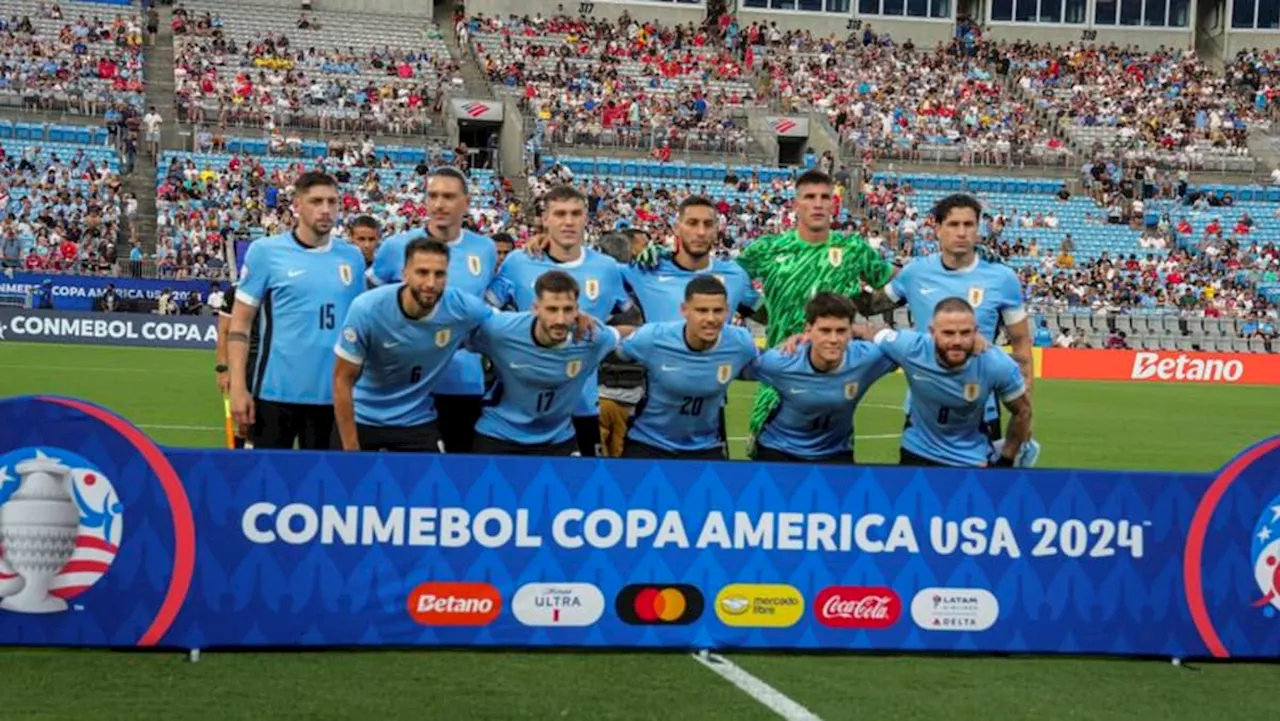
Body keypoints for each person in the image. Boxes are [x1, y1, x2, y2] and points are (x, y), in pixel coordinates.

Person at [856, 193, 1033, 442]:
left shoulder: (1002, 278)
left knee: (980, 481)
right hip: (922, 412)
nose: (961, 232)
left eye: (969, 224)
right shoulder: (915, 273)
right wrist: (843, 274)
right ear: (938, 228)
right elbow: (869, 306)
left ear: (978, 228)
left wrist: (1025, 416)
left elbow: (1022, 345)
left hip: (981, 412)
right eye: (953, 224)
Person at [488, 185, 630, 458]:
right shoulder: (519, 262)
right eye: (560, 214)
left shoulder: (606, 268)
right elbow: (487, 314)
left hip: (582, 406)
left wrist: (600, 330)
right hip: (517, 408)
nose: (568, 221)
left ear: (586, 218)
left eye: (576, 213)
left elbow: (631, 314)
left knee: (579, 495)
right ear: (545, 219)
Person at [228, 171, 366, 450]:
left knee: (326, 488)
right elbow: (240, 326)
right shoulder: (265, 252)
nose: (326, 210)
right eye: (316, 201)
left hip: (334, 397)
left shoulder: (352, 257)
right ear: (297, 205)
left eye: (332, 202)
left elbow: (361, 330)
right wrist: (238, 387)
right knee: (264, 485)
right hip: (273, 394)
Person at [366, 167, 497, 454]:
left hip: (462, 382)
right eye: (433, 195)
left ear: (466, 202)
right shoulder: (396, 246)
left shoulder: (485, 249)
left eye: (448, 196)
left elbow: (491, 307)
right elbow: (371, 303)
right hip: (404, 386)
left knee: (457, 477)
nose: (439, 204)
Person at [331, 238, 492, 452]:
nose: (431, 283)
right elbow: (342, 379)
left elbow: (507, 328)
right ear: (405, 273)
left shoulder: (461, 308)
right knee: (346, 483)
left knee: (434, 484)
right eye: (422, 272)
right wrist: (351, 448)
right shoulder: (367, 308)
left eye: (440, 274)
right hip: (363, 417)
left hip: (416, 421)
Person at [470, 270, 623, 457]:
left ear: (577, 310)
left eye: (568, 309)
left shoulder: (592, 337)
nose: (560, 319)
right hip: (499, 435)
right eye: (552, 309)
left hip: (558, 439)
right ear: (535, 308)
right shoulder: (501, 331)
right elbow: (458, 329)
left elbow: (629, 332)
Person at [870, 297, 1033, 468]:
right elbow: (871, 333)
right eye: (948, 333)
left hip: (971, 459)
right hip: (917, 452)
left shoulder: (995, 363)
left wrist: (1006, 460)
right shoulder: (910, 347)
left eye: (965, 333)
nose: (957, 341)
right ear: (932, 332)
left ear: (976, 332)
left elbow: (1023, 410)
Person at [614, 276, 758, 460]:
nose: (711, 318)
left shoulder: (741, 343)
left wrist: (800, 343)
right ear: (684, 310)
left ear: (727, 311)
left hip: (706, 446)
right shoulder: (653, 338)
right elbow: (609, 348)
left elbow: (775, 366)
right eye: (702, 310)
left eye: (717, 311)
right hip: (648, 443)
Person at [749, 293, 896, 465]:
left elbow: (909, 349)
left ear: (851, 331)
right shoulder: (783, 361)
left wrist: (866, 331)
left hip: (836, 452)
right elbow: (736, 364)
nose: (833, 339)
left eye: (841, 331)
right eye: (825, 331)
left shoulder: (867, 358)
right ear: (808, 330)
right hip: (780, 449)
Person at [621, 195, 759, 324]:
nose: (701, 232)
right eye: (692, 223)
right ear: (677, 229)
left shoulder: (736, 275)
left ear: (717, 231)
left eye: (708, 224)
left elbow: (768, 316)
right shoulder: (645, 269)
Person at [216, 280, 259, 448]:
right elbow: (224, 330)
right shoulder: (235, 290)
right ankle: (242, 459)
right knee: (244, 422)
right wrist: (222, 369)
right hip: (244, 362)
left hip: (274, 362)